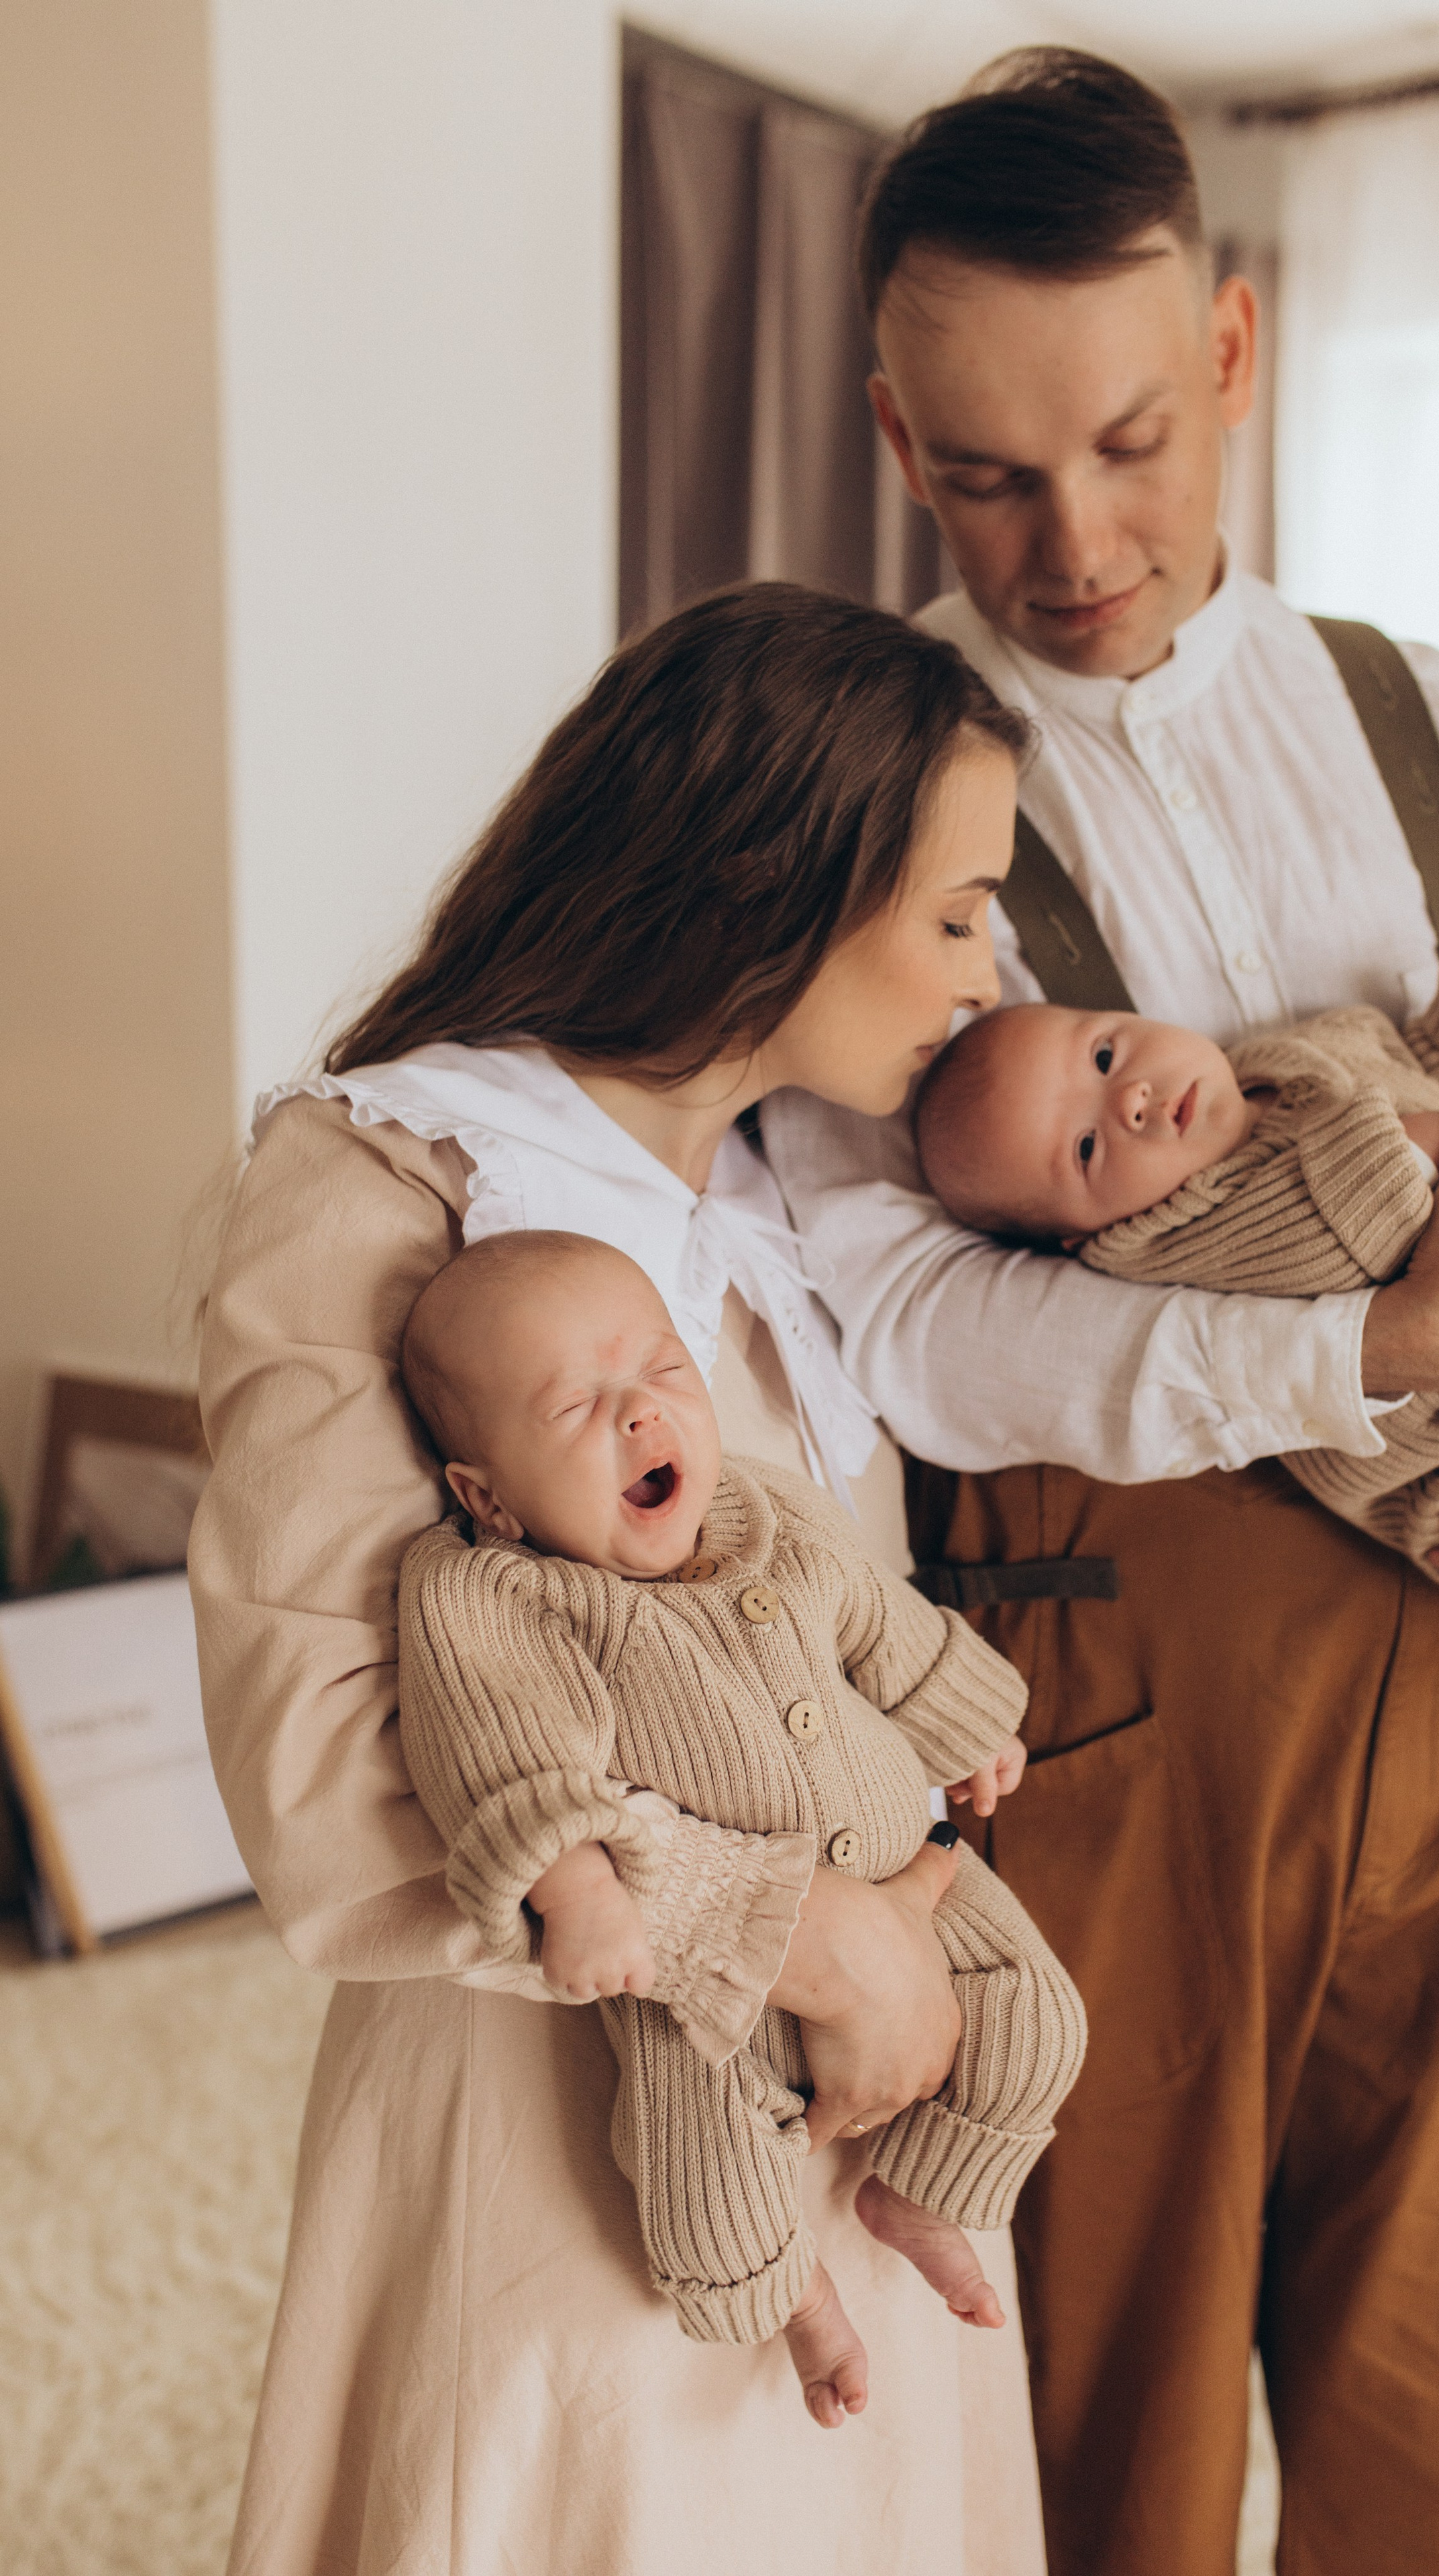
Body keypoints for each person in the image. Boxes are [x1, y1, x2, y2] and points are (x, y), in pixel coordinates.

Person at [760, 49, 1439, 2576]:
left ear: (1229, 359)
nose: (1069, 539)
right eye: (981, 476)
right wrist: (1353, 1360)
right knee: (1103, 2465)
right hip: (1088, 1740)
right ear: (887, 429)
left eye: (1120, 443)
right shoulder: (852, 812)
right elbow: (888, 1324)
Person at [189, 582, 1055, 2576]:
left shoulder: (799, 1213)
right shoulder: (378, 1184)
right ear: (772, 885)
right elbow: (328, 1799)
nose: (980, 963)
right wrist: (796, 1929)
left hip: (856, 2081)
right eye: (948, 910)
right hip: (554, 2096)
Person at [390, 1230, 1084, 2429]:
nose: (642, 1418)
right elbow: (502, 1756)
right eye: (575, 1406)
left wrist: (965, 1721)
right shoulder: (496, 1596)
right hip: (698, 1966)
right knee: (702, 2172)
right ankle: (796, 2300)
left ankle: (926, 2198)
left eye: (663, 1373)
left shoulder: (774, 1513)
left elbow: (883, 1624)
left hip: (898, 1870)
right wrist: (579, 1891)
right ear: (489, 1496)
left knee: (1041, 2014)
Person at [914, 927, 1439, 1607]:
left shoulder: (1279, 1062)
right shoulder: (1187, 1232)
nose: (1128, 1099)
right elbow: (1385, 1202)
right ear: (1075, 1239)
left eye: (1101, 1054)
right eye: (1086, 1148)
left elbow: (1430, 1080)